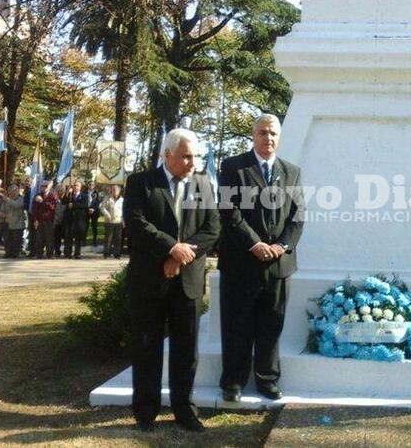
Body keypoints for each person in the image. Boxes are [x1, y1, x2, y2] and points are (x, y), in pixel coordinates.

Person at [123, 128, 220, 433]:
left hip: (187, 281)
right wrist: (170, 248)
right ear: (167, 155)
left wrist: (179, 256)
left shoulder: (203, 184)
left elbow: (213, 227)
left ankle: (184, 410)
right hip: (149, 279)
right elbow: (136, 224)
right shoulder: (141, 183)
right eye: (186, 156)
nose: (193, 162)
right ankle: (146, 411)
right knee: (147, 346)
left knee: (186, 349)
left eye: (196, 156)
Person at [217, 114, 304, 404]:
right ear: (253, 135)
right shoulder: (233, 167)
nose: (268, 138)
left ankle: (267, 380)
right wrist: (254, 244)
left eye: (273, 133)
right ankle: (233, 382)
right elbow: (229, 213)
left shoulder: (291, 172)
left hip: (278, 265)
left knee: (271, 325)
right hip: (242, 262)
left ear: (279, 137)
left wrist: (281, 246)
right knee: (237, 324)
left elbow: (298, 216)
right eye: (263, 132)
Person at [0, 184, 25, 258]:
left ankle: (15, 253)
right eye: (10, 190)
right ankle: (8, 253)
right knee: (7, 239)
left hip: (17, 223)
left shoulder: (20, 198)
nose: (12, 192)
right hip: (5, 222)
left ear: (17, 191)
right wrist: (2, 214)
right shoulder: (4, 199)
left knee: (16, 239)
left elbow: (16, 205)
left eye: (14, 190)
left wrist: (7, 200)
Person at [32, 180, 57, 259]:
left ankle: (49, 254)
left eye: (46, 186)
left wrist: (42, 201)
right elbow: (34, 209)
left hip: (49, 220)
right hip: (39, 220)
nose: (44, 188)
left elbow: (51, 207)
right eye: (42, 186)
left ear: (49, 187)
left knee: (49, 238)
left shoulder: (53, 195)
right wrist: (35, 219)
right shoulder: (37, 195)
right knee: (39, 238)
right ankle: (39, 254)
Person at [64, 181, 89, 259]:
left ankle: (77, 253)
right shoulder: (70, 195)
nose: (75, 187)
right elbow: (64, 202)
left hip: (79, 220)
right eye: (74, 185)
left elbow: (85, 205)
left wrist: (74, 205)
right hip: (70, 220)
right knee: (69, 237)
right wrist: (67, 194)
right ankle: (68, 253)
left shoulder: (84, 196)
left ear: (80, 187)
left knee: (78, 238)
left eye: (77, 185)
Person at [100, 184, 124, 258]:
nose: (114, 191)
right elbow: (102, 208)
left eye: (115, 190)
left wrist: (123, 221)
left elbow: (124, 211)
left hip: (118, 221)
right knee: (108, 238)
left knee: (118, 238)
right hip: (109, 221)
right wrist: (108, 215)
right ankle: (106, 253)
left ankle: (117, 254)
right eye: (113, 189)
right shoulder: (107, 198)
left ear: (119, 191)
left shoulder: (122, 200)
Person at [86, 181, 102, 247]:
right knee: (85, 227)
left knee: (94, 227)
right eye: (90, 184)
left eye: (92, 185)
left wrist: (93, 209)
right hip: (86, 211)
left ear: (94, 186)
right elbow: (83, 202)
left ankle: (95, 241)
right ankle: (83, 240)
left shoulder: (97, 193)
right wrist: (87, 209)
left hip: (94, 212)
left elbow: (98, 202)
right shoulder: (84, 192)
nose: (91, 186)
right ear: (88, 185)